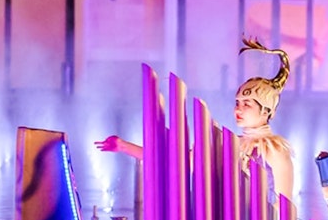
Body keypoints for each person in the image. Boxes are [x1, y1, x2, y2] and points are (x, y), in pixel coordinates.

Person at [96, 37, 296, 201]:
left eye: (247, 104)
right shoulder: (228, 144)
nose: (238, 109)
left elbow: (284, 206)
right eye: (237, 102)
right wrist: (124, 147)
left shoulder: (274, 149)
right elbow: (175, 161)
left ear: (266, 111)